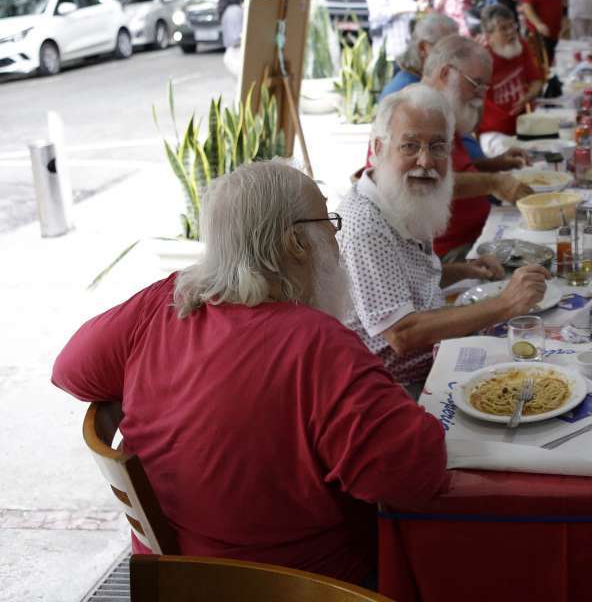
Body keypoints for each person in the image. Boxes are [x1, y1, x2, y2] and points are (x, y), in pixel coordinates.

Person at [51, 160, 449, 585]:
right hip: (300, 589)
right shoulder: (317, 344)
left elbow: (70, 370)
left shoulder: (167, 301)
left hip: (172, 586)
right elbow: (413, 475)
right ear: (297, 243)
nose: (337, 236)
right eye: (328, 221)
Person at [338, 83, 551, 388]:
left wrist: (459, 271)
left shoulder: (399, 194)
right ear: (378, 149)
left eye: (438, 147)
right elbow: (402, 333)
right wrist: (505, 304)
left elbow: (403, 283)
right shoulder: (365, 225)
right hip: (398, 388)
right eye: (410, 146)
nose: (426, 161)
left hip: (437, 355)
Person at [421, 34, 534, 257]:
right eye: (476, 84)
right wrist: (494, 182)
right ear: (446, 73)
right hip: (451, 251)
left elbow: (455, 169)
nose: (481, 96)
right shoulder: (418, 112)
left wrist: (494, 164)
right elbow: (427, 181)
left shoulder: (443, 108)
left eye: (485, 87)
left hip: (482, 231)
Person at [478, 4, 544, 149]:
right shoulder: (481, 58)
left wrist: (527, 96)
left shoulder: (521, 46)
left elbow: (537, 81)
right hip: (493, 132)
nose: (511, 32)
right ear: (488, 36)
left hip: (524, 124)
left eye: (512, 26)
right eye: (503, 29)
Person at [380, 13, 460, 98]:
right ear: (423, 48)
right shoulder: (406, 92)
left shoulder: (417, 83)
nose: (455, 56)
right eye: (447, 48)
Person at [217, 0, 246, 80]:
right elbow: (235, 40)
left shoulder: (234, 9)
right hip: (237, 58)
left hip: (234, 57)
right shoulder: (234, 11)